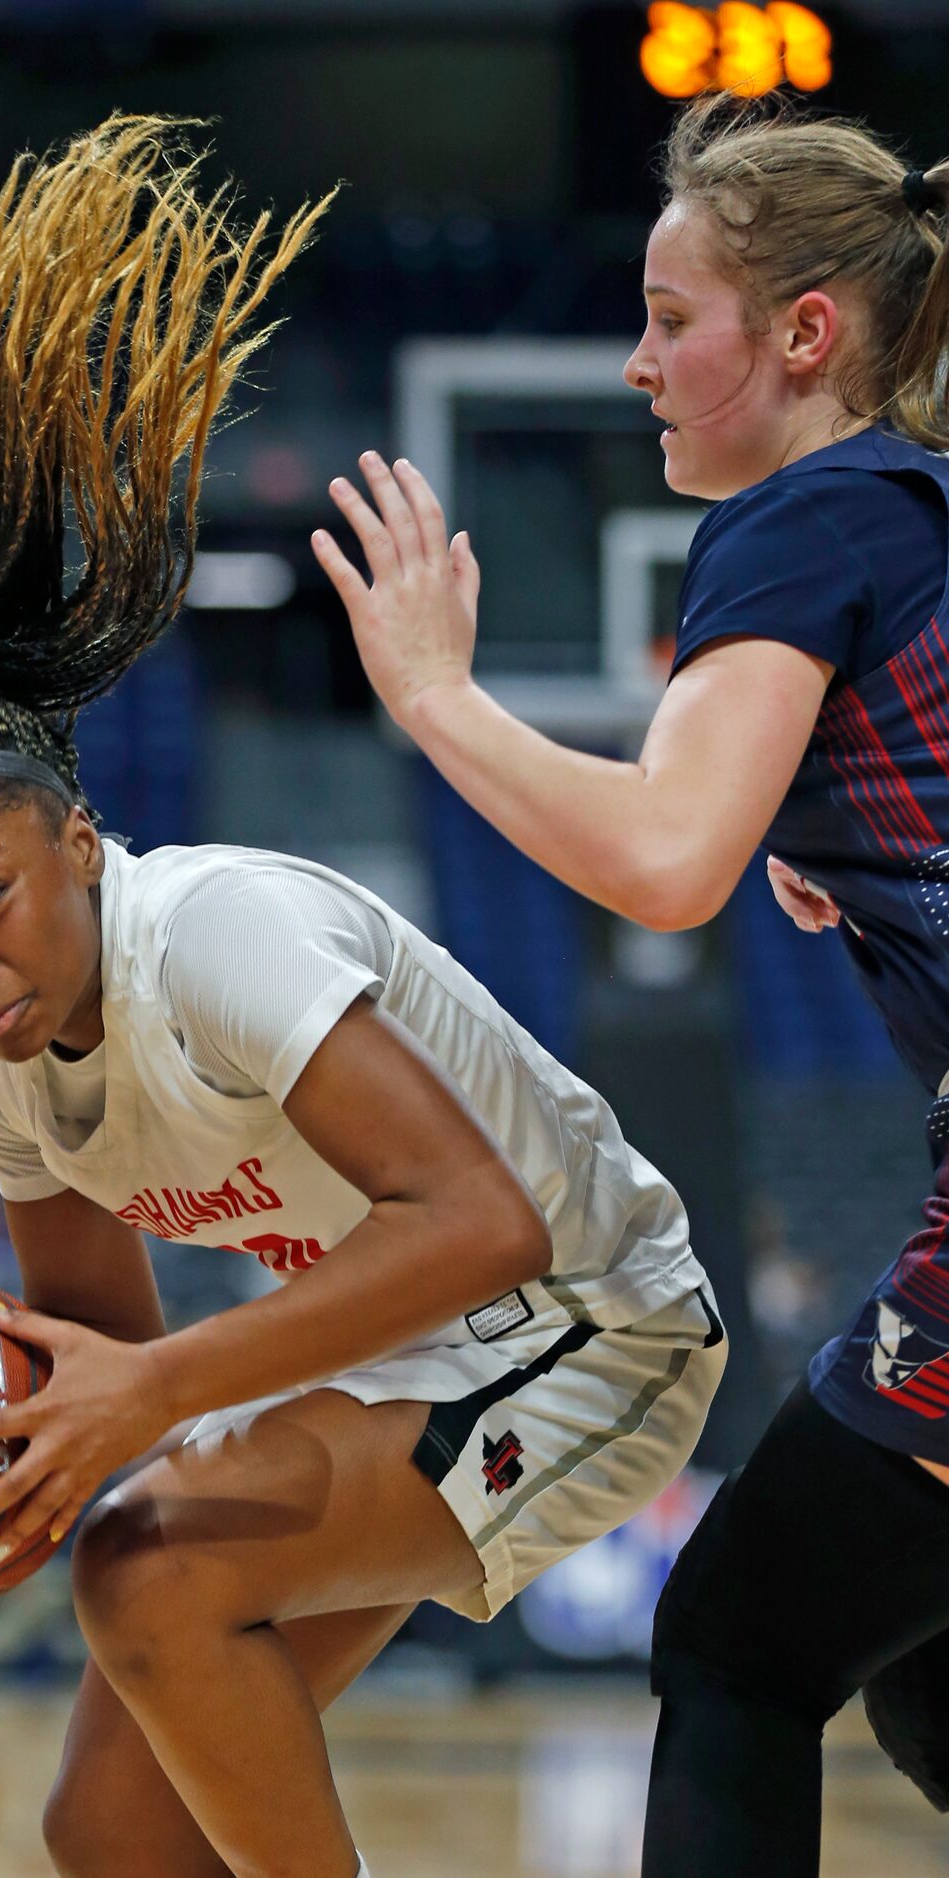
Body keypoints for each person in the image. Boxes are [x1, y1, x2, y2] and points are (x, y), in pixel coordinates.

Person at [0, 115, 727, 1878]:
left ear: (76, 838)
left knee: (154, 1569)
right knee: (108, 1818)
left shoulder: (215, 933)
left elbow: (484, 1225)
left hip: (589, 1325)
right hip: (397, 1356)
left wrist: (149, 1420)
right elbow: (111, 1363)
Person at [310, 95, 949, 1875]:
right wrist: (857, 849)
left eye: (676, 320)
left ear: (803, 334)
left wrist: (437, 693)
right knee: (930, 1679)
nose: (638, 361)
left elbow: (667, 862)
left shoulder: (807, 517)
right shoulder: (921, 517)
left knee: (738, 1642)